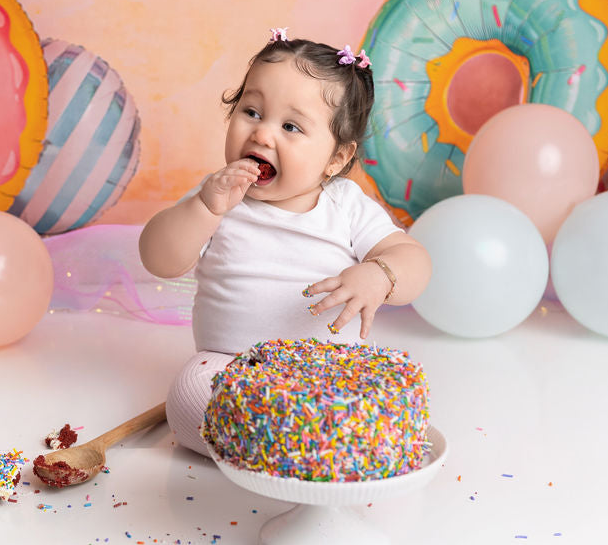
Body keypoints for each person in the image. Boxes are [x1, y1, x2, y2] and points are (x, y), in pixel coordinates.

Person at [139, 30, 432, 455]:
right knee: (187, 397)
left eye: (290, 126)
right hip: (231, 370)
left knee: (382, 397)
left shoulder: (345, 206)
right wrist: (205, 208)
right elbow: (158, 259)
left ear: (336, 158)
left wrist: (380, 273)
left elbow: (415, 261)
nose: (261, 135)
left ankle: (287, 440)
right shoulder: (215, 199)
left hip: (327, 374)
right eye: (252, 111)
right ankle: (302, 447)